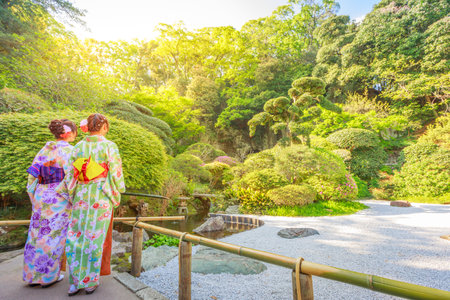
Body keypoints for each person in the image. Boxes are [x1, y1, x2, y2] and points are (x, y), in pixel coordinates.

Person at [61, 114, 125, 296]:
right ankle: (89, 281)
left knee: (76, 236)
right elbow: (116, 172)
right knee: (94, 238)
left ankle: (74, 282)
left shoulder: (78, 147)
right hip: (100, 195)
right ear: (103, 126)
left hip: (82, 194)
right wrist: (118, 189)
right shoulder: (109, 146)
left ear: (87, 127)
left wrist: (73, 190)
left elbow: (70, 173)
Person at [23, 119, 77, 287]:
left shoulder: (45, 149)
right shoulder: (72, 151)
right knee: (54, 236)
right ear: (68, 133)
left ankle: (32, 276)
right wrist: (73, 199)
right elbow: (73, 178)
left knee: (36, 235)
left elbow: (32, 176)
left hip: (41, 195)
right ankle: (47, 278)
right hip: (59, 198)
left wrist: (33, 195)